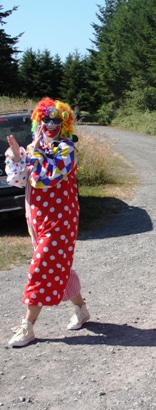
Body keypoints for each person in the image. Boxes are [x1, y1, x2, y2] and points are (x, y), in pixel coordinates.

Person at [5, 97, 90, 347]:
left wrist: (28, 156)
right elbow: (19, 180)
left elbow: (47, 177)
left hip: (60, 220)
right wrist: (16, 156)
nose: (50, 124)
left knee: (42, 266)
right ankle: (82, 310)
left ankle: (28, 326)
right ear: (38, 121)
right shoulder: (33, 148)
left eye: (56, 120)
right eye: (45, 119)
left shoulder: (66, 148)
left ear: (64, 123)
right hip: (37, 219)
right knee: (58, 266)